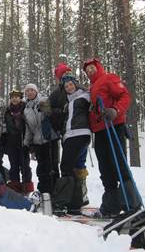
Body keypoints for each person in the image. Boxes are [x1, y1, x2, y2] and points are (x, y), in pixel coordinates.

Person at [83, 58, 141, 217]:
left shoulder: (109, 78)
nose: (90, 71)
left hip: (113, 126)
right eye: (87, 70)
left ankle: (132, 205)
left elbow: (125, 96)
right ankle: (111, 206)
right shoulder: (92, 87)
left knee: (119, 165)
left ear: (98, 67)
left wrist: (115, 110)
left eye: (92, 68)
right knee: (105, 169)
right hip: (100, 131)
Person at [48, 62, 90, 206]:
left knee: (76, 166)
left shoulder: (83, 93)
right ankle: (74, 199)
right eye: (63, 75)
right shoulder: (56, 94)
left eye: (68, 74)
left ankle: (76, 198)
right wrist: (59, 117)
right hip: (66, 132)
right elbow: (49, 112)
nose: (68, 84)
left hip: (79, 132)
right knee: (69, 166)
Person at [23, 83, 59, 194]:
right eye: (27, 91)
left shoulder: (44, 101)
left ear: (36, 91)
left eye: (32, 90)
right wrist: (26, 143)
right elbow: (28, 128)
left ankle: (55, 192)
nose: (30, 92)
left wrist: (47, 110)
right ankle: (44, 192)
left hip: (50, 139)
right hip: (37, 142)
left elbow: (54, 115)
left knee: (52, 167)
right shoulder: (26, 109)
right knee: (41, 169)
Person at [4, 89, 34, 194]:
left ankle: (27, 187)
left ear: (20, 98)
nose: (14, 99)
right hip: (11, 142)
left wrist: (30, 142)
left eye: (17, 97)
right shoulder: (7, 111)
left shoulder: (25, 108)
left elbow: (30, 125)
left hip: (23, 142)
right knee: (14, 166)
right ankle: (15, 187)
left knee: (25, 165)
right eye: (12, 97)